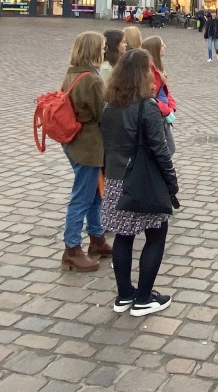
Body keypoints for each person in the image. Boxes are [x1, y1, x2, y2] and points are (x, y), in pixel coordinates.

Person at [100, 48, 177, 315]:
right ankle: (143, 297)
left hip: (115, 179)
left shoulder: (110, 105)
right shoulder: (147, 106)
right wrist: (171, 182)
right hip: (143, 180)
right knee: (156, 234)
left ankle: (124, 295)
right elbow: (160, 149)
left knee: (124, 235)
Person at [59, 31, 110, 273]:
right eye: (101, 47)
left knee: (94, 194)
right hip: (88, 145)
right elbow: (104, 114)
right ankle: (72, 248)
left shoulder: (73, 73)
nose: (104, 50)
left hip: (75, 142)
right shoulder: (92, 79)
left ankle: (97, 237)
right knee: (82, 197)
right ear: (93, 50)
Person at [141, 36, 177, 149]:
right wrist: (166, 110)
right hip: (157, 112)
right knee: (168, 148)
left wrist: (171, 106)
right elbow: (149, 95)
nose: (165, 47)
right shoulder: (149, 69)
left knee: (169, 147)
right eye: (162, 45)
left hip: (163, 112)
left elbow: (164, 90)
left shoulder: (157, 67)